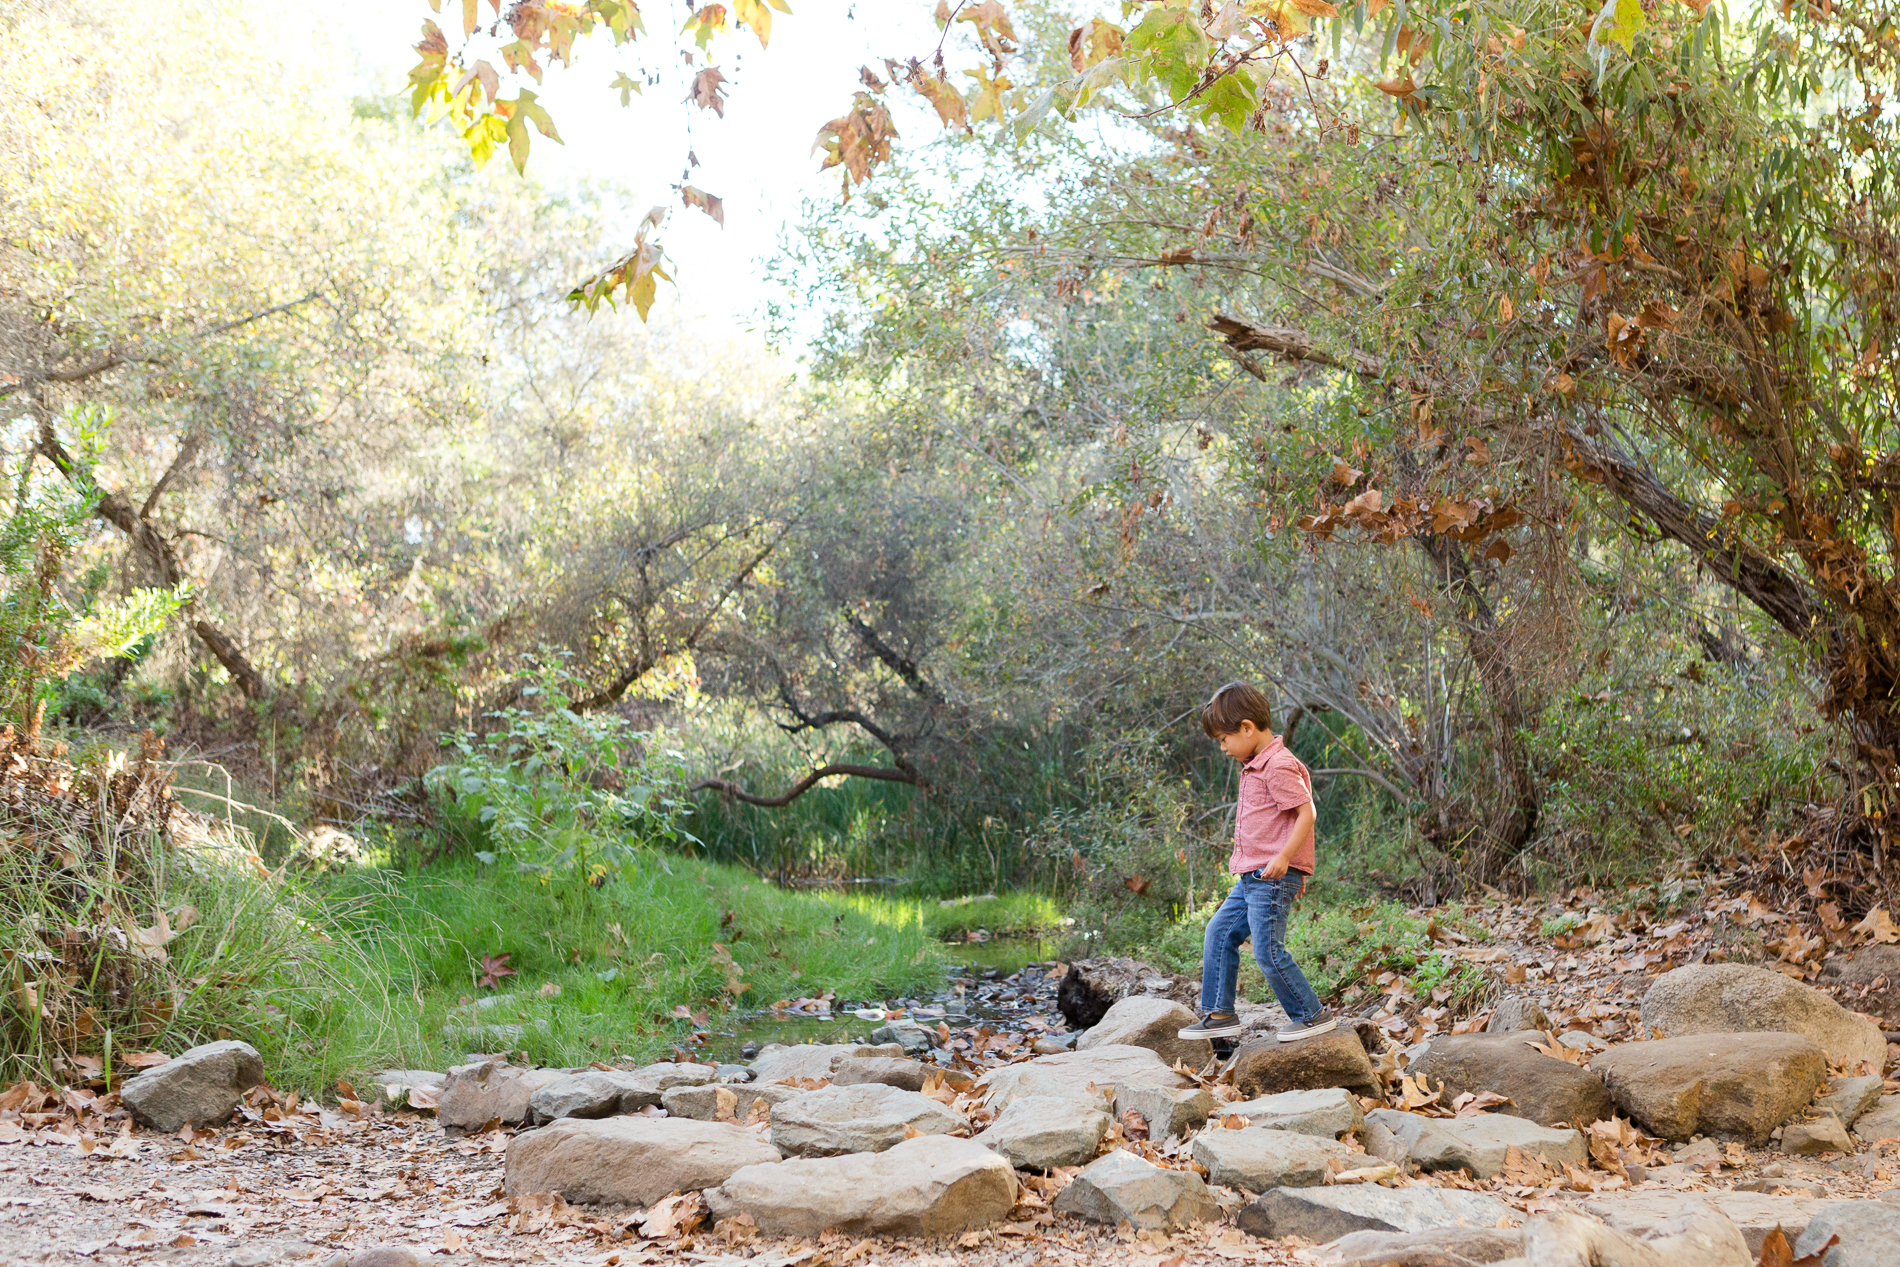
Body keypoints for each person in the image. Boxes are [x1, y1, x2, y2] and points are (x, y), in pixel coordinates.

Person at [1178, 681, 1337, 1043]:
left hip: (1270, 874)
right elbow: (1282, 822)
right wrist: (1293, 864)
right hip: (1254, 876)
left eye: (1224, 739)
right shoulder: (1257, 764)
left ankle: (1312, 1015)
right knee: (1219, 933)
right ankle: (1220, 1014)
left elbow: (1306, 812)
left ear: (1247, 728)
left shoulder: (1278, 765)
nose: (1222, 748)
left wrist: (1287, 862)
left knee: (1267, 951)